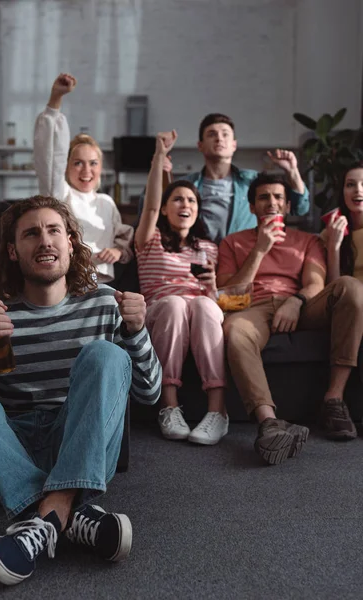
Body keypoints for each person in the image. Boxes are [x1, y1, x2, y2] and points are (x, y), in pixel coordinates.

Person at [0, 196, 161, 586]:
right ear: (13, 251)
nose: (45, 241)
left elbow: (149, 395)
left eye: (54, 230)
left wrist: (137, 334)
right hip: (5, 453)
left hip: (79, 442)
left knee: (106, 354)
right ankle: (70, 512)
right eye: (31, 233)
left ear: (71, 242)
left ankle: (45, 515)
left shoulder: (105, 303)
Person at [217, 172, 363, 465]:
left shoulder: (306, 240)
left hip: (300, 304)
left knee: (350, 286)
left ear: (287, 206)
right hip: (252, 306)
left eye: (278, 198)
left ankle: (334, 399)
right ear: (252, 207)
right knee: (234, 330)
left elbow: (314, 283)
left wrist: (295, 302)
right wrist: (260, 248)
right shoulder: (233, 242)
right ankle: (269, 423)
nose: (271, 203)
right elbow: (229, 291)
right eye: (263, 197)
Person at [135, 130, 228, 445]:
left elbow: (214, 300)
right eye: (177, 199)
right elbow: (148, 208)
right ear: (164, 208)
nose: (185, 204)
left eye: (191, 199)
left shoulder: (208, 248)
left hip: (200, 309)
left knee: (202, 305)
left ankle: (218, 412)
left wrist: (213, 287)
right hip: (163, 310)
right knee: (176, 304)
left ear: (198, 210)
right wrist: (159, 157)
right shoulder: (150, 242)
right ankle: (169, 406)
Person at [139, 113, 310, 244]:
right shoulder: (186, 187)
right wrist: (158, 172)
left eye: (225, 134)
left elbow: (299, 209)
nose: (219, 138)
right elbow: (148, 213)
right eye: (212, 134)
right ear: (200, 145)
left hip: (244, 257)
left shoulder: (253, 181)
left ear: (234, 145)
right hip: (199, 260)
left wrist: (292, 171)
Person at [34, 73, 133, 283]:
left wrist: (116, 251)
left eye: (93, 163)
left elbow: (123, 243)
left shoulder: (106, 203)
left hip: (102, 283)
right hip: (67, 281)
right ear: (66, 166)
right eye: (78, 163)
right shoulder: (60, 194)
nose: (86, 170)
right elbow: (49, 158)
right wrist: (56, 100)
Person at [322, 161, 363, 283]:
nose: (358, 190)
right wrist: (333, 246)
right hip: (346, 297)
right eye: (350, 185)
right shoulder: (329, 232)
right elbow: (334, 291)